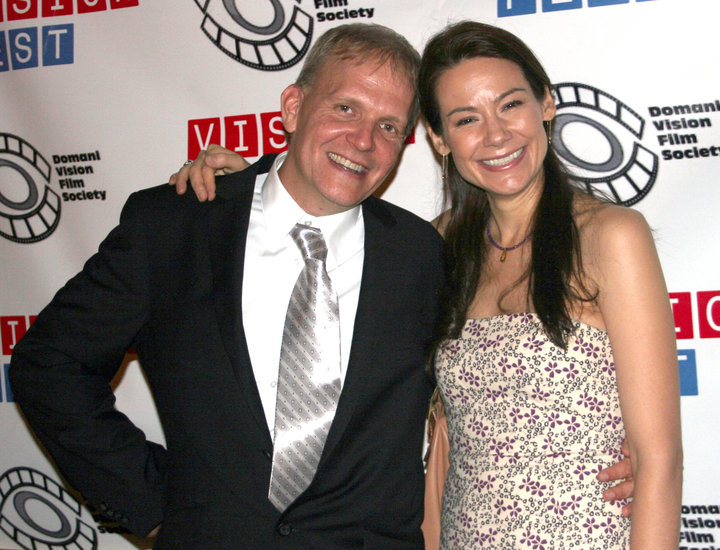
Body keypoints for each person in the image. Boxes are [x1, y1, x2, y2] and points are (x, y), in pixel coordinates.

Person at [170, 21, 678, 550]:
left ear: (546, 104)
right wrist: (246, 182)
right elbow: (441, 439)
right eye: (466, 119)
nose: (497, 135)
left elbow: (658, 460)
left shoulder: (610, 235)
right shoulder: (431, 249)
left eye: (511, 105)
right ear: (438, 138)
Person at [10, 24, 445, 549]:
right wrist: (147, 504)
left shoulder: (426, 257)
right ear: (292, 107)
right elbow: (49, 363)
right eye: (346, 108)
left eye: (390, 125)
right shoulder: (176, 226)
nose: (363, 141)